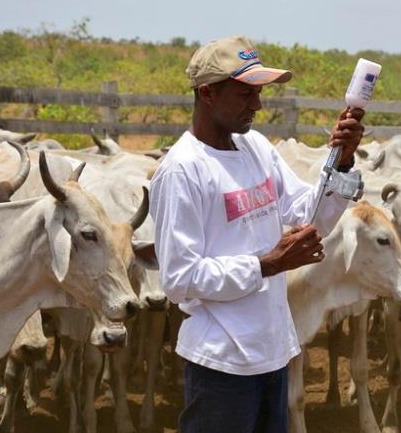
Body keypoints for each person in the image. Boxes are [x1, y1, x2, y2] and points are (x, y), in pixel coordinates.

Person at [149, 35, 365, 433]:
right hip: (222, 363)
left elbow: (306, 213)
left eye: (259, 93)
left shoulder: (256, 148)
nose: (258, 105)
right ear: (207, 93)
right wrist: (267, 265)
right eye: (245, 93)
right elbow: (180, 279)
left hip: (272, 352)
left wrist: (343, 161)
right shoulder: (183, 170)